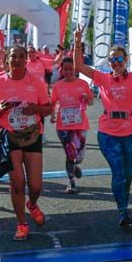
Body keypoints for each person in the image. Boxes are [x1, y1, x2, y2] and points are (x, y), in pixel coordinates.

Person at [73, 25, 132, 230]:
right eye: (112, 59)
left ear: (126, 61)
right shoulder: (103, 77)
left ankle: (124, 201)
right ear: (109, 62)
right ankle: (122, 211)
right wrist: (77, 43)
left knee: (128, 173)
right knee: (118, 172)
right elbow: (79, 66)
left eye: (119, 59)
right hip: (108, 132)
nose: (116, 63)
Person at [0, 46, 52, 241]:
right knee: (17, 183)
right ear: (8, 59)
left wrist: (36, 108)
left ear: (26, 60)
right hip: (10, 136)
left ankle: (32, 204)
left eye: (22, 57)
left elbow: (48, 109)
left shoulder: (37, 82)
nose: (18, 60)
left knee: (36, 186)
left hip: (32, 135)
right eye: (14, 56)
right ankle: (22, 223)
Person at [50, 56, 93, 194]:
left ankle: (74, 167)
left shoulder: (83, 84)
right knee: (70, 155)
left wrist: (87, 99)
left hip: (80, 125)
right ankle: (71, 182)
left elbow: (91, 101)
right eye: (65, 69)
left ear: (75, 69)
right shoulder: (57, 86)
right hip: (63, 126)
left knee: (79, 157)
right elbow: (53, 102)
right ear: (61, 70)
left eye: (71, 69)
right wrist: (52, 115)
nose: (68, 72)